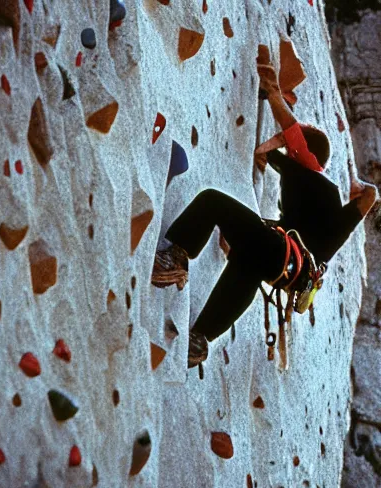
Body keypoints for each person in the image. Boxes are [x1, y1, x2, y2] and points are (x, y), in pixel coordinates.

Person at [152, 45, 378, 373]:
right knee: (246, 264)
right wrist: (361, 190)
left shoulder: (314, 178)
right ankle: (200, 339)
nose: (291, 148)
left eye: (297, 149)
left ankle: (177, 258)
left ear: (312, 158)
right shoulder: (335, 217)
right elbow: (369, 198)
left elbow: (294, 137)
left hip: (282, 250)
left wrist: (273, 94)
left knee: (214, 201)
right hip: (290, 272)